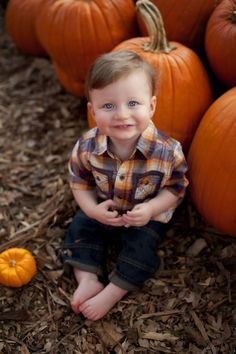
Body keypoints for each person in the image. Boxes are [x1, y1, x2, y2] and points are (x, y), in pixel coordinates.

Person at [63, 50, 188, 321]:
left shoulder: (167, 151)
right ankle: (87, 278)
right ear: (92, 110)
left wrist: (151, 208)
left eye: (133, 103)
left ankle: (114, 290)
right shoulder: (87, 146)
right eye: (108, 106)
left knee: (141, 248)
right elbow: (79, 182)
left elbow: (176, 189)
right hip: (104, 205)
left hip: (145, 216)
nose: (121, 115)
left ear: (151, 106)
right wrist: (93, 210)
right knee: (80, 228)